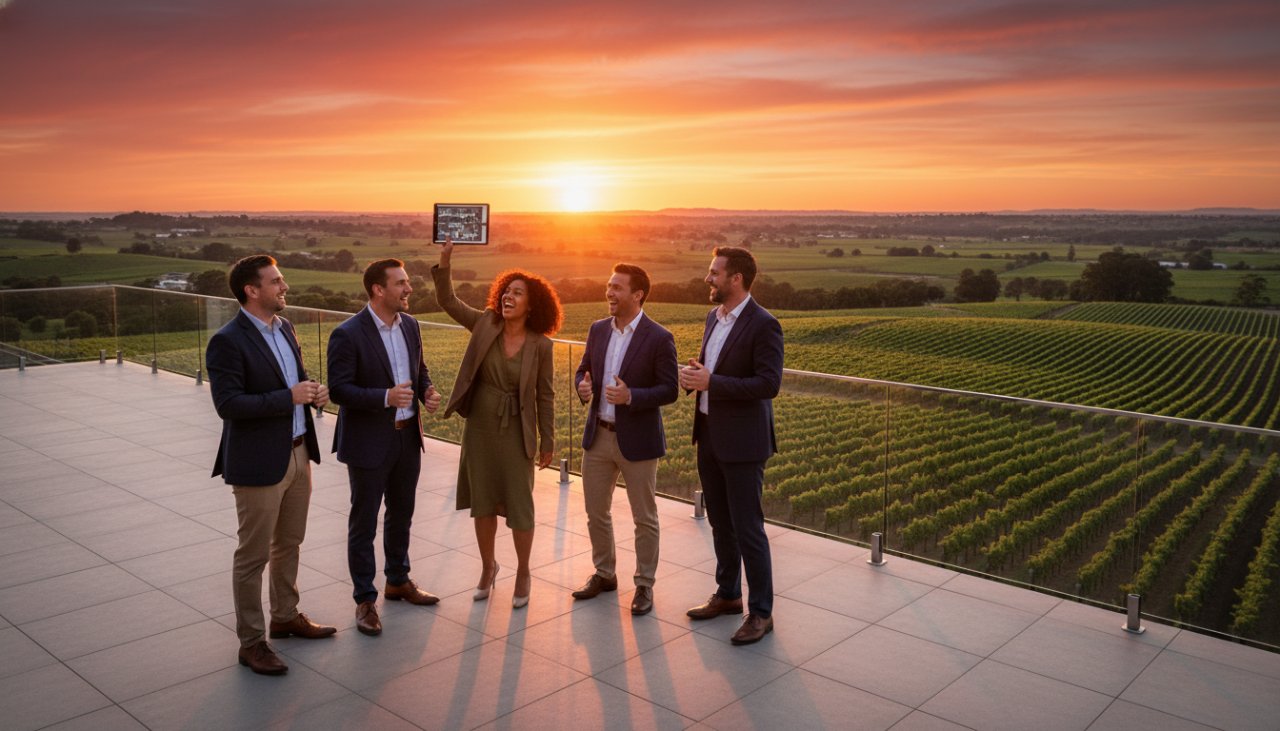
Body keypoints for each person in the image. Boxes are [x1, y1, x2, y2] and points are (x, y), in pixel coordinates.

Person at [206, 254, 337, 676]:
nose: (284, 287)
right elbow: (228, 404)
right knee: (253, 555)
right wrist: (289, 397)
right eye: (276, 281)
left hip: (299, 452)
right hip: (258, 463)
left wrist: (313, 393)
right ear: (252, 290)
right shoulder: (227, 340)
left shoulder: (286, 328)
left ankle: (285, 616)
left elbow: (292, 383)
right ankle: (251, 643)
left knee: (290, 542)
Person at [432, 240, 560, 608]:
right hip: (481, 427)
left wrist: (547, 440)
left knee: (520, 505)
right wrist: (445, 260)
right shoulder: (485, 323)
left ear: (531, 305)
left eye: (517, 293)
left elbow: (545, 396)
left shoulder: (541, 346)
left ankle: (523, 571)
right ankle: (488, 567)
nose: (508, 296)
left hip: (518, 430)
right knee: (483, 500)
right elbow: (448, 301)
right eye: (506, 290)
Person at [327, 259, 443, 637]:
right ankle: (365, 599)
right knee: (364, 522)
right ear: (379, 289)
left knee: (401, 513)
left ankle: (398, 580)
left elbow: (418, 369)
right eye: (401, 283)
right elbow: (339, 390)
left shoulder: (410, 325)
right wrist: (385, 397)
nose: (409, 289)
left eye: (407, 282)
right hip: (368, 441)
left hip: (407, 437)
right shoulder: (347, 333)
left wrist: (426, 391)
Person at [678, 246, 784, 645]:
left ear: (735, 278)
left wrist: (713, 382)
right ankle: (727, 594)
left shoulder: (764, 324)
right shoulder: (714, 317)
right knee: (720, 523)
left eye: (714, 272)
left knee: (748, 528)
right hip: (709, 434)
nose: (708, 278)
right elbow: (715, 371)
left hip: (743, 443)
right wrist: (697, 375)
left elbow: (768, 384)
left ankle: (761, 613)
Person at [572, 264, 678, 615]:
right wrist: (582, 385)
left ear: (638, 294)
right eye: (609, 285)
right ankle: (604, 573)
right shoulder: (598, 329)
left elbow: (669, 389)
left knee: (644, 517)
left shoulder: (659, 337)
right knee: (595, 512)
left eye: (617, 287)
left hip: (639, 442)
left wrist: (632, 395)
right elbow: (584, 369)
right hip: (598, 436)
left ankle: (644, 584)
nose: (609, 293)